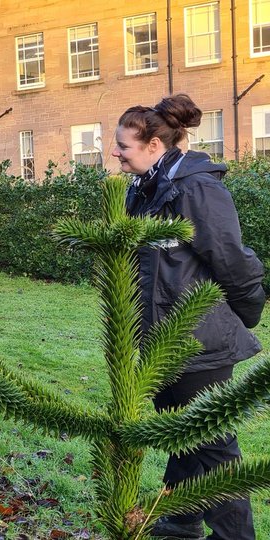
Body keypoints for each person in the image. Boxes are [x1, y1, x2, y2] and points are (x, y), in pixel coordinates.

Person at [115, 94, 264, 539]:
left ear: (155, 146)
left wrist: (246, 310)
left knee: (213, 446)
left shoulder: (197, 188)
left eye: (124, 146)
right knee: (180, 430)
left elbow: (230, 257)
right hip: (160, 333)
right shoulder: (143, 189)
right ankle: (181, 520)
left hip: (197, 336)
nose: (116, 154)